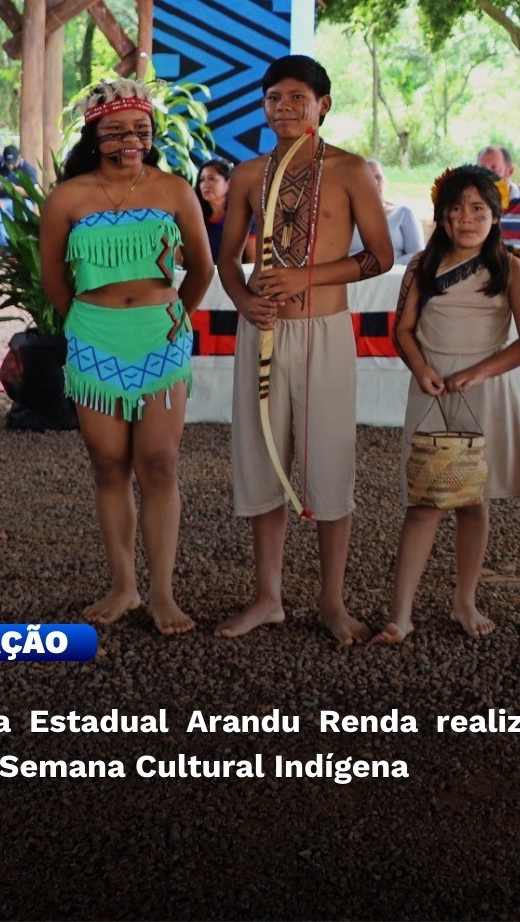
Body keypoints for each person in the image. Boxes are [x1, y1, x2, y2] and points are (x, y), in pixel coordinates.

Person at [215, 55, 394, 646]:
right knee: (262, 463)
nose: (285, 108)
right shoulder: (247, 173)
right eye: (274, 98)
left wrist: (306, 278)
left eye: (298, 98)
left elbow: (380, 256)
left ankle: (332, 603)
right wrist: (245, 300)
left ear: (324, 105)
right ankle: (268, 598)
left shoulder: (348, 171)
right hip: (262, 332)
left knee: (328, 466)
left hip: (324, 333)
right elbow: (226, 258)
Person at [40, 79, 215, 634]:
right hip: (94, 334)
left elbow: (203, 269)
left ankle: (162, 592)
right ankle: (124, 586)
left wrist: (174, 318)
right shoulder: (69, 197)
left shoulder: (174, 190)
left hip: (160, 335)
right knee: (108, 463)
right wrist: (84, 323)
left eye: (140, 129)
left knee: (160, 462)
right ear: (94, 134)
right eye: (115, 130)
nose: (129, 139)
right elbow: (53, 277)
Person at [378, 164, 520, 643]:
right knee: (424, 502)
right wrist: (421, 367)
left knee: (473, 501)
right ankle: (400, 613)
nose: (466, 219)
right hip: (430, 389)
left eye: (477, 209)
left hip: (483, 390)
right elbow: (402, 330)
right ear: (441, 217)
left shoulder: (510, 268)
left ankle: (464, 600)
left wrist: (479, 371)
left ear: (495, 214)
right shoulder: (420, 266)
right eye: (455, 209)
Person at [351, 157, 425, 262]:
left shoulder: (403, 213)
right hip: (355, 276)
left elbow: (418, 255)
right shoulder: (344, 217)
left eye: (378, 177)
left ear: (384, 181)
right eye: (367, 178)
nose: (374, 183)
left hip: (395, 275)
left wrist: (384, 265)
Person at [196, 157, 245, 263]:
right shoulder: (194, 217)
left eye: (211, 179)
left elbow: (252, 260)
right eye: (202, 180)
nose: (205, 184)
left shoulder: (244, 216)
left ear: (229, 183)